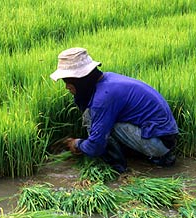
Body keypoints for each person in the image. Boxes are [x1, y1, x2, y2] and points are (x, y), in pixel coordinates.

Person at [50, 47, 179, 173]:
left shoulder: (103, 98)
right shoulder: (107, 80)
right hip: (161, 136)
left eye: (68, 81)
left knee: (96, 123)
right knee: (98, 121)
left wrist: (77, 144)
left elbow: (96, 146)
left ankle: (117, 167)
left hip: (159, 143)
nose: (67, 87)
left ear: (81, 79)